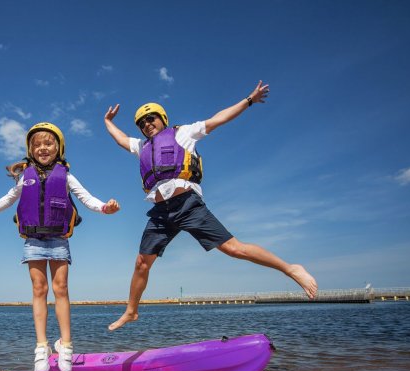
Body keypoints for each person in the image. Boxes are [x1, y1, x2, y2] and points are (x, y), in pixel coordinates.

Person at [103, 80, 318, 331]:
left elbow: (219, 119)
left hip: (187, 205)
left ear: (162, 118)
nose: (146, 124)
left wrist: (249, 100)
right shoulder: (141, 147)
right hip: (161, 213)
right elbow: (120, 139)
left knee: (234, 249)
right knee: (141, 263)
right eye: (141, 123)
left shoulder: (183, 133)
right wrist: (107, 121)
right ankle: (131, 311)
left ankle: (290, 269)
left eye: (151, 119)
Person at [0, 122, 120, 371]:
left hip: (58, 239)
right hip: (33, 241)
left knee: (61, 289)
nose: (42, 148)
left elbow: (86, 197)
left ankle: (66, 345)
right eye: (37, 144)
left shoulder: (66, 175)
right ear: (30, 149)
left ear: (58, 148)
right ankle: (42, 346)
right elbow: (8, 199)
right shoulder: (25, 176)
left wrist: (105, 207)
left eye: (48, 143)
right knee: (39, 290)